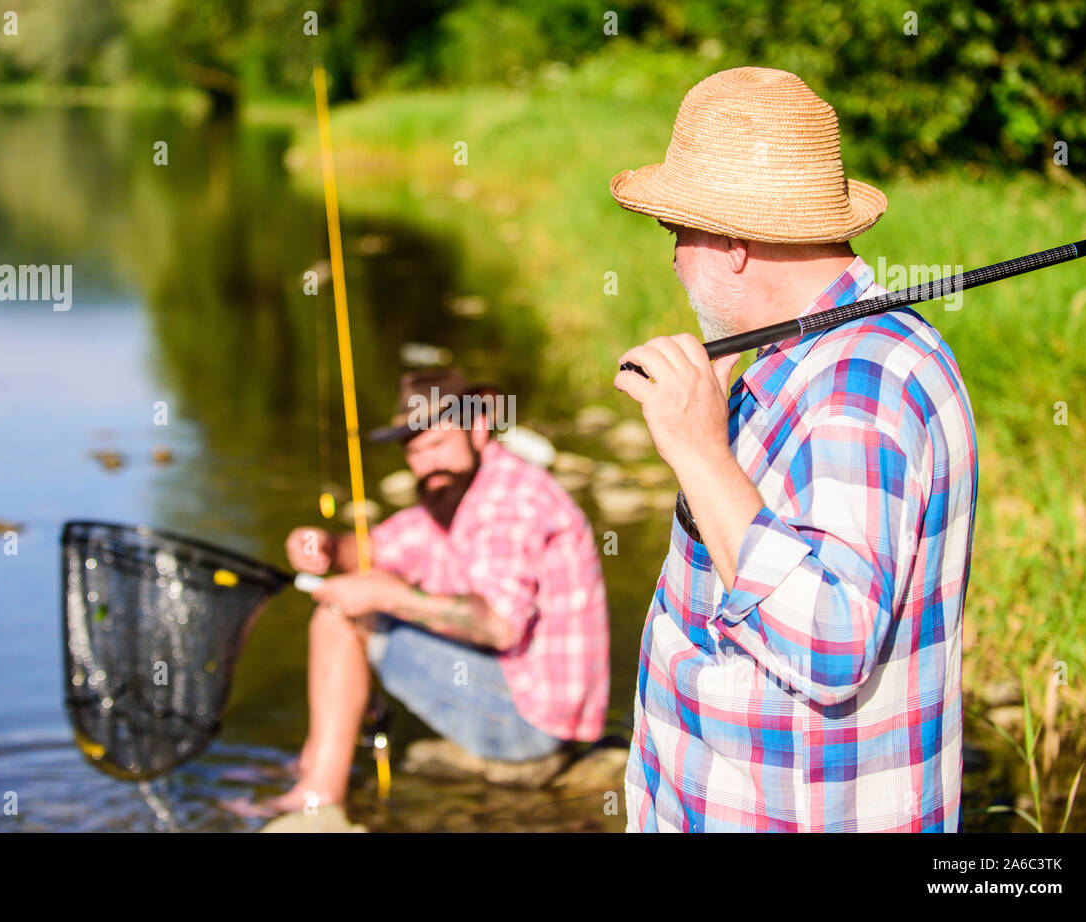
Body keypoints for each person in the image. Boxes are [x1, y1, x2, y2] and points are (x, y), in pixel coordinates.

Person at [608, 66, 978, 831]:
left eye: (676, 230)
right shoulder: (808, 359)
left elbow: (832, 640)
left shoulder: (859, 387)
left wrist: (700, 451)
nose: (672, 255)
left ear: (735, 242)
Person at [225, 368, 610, 817]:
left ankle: (318, 795)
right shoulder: (455, 492)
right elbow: (378, 548)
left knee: (342, 615)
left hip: (532, 723)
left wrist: (386, 595)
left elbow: (499, 625)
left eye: (438, 444)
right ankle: (310, 764)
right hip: (522, 701)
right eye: (415, 452)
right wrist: (324, 547)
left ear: (479, 427)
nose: (427, 463)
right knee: (358, 595)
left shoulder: (510, 501)